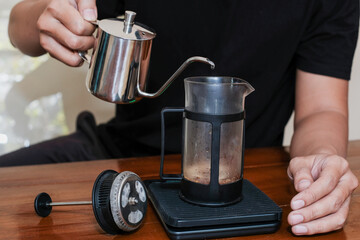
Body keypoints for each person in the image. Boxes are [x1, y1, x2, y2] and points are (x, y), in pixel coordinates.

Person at [5, 0, 359, 236]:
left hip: (242, 179)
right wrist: (40, 19)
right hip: (115, 152)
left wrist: (324, 157)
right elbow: (19, 25)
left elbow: (322, 110)